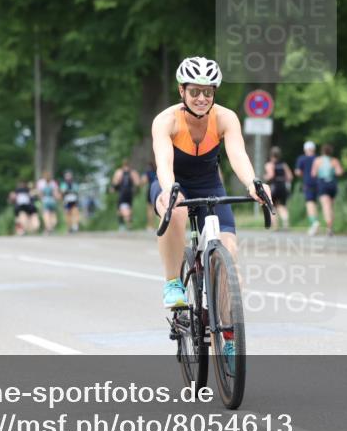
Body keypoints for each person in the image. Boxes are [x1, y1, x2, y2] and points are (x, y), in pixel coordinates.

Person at [150, 55, 271, 339]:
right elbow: (163, 161)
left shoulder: (225, 118)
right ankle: (172, 282)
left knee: (229, 256)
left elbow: (238, 154)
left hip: (209, 186)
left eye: (207, 92)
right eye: (195, 91)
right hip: (172, 184)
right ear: (182, 91)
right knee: (176, 210)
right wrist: (169, 190)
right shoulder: (166, 121)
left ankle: (228, 340)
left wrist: (253, 183)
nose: (201, 98)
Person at [311, 144, 344, 237]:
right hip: (332, 184)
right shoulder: (334, 161)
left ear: (322, 151)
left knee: (326, 206)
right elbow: (340, 172)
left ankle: (328, 228)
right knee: (331, 206)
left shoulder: (318, 160)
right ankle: (330, 227)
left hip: (323, 184)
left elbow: (313, 174)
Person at [294, 141, 320, 235]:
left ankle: (314, 222)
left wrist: (303, 174)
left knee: (309, 203)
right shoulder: (318, 158)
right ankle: (316, 224)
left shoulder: (302, 159)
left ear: (305, 149)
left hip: (308, 183)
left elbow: (298, 172)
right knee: (315, 203)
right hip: (318, 183)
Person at [264, 147, 293, 231]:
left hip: (274, 187)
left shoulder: (269, 164)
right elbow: (290, 177)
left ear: (271, 155)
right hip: (283, 186)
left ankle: (275, 226)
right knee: (282, 206)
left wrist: (265, 177)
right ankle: (285, 222)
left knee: (272, 206)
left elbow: (271, 175)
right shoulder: (284, 165)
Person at [111, 159, 139, 231]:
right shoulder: (133, 172)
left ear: (123, 165)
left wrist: (113, 188)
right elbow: (137, 183)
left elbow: (115, 182)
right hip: (130, 193)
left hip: (122, 193)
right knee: (129, 208)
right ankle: (128, 223)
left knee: (120, 209)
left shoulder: (119, 172)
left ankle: (123, 224)